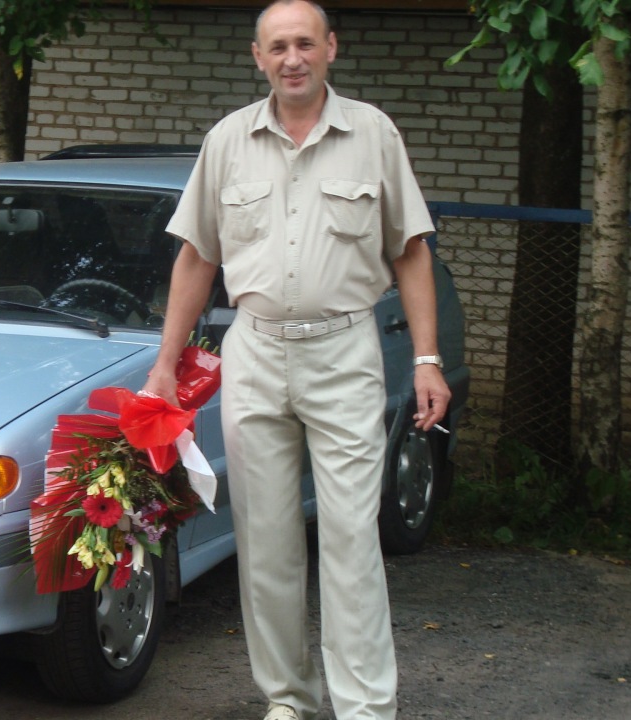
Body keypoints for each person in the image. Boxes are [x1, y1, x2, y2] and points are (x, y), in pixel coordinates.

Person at [140, 1, 451, 718]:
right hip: (254, 352)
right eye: (278, 46)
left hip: (344, 350)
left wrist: (427, 358)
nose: (293, 59)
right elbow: (197, 257)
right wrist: (165, 362)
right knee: (266, 542)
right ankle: (289, 700)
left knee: (350, 538)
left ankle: (365, 707)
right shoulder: (228, 141)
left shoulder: (373, 134)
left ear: (330, 47)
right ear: (258, 56)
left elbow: (411, 251)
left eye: (305, 43)